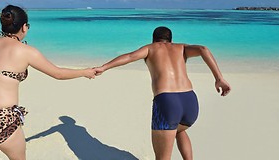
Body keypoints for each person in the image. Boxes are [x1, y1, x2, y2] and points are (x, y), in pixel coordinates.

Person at [0, 5, 96, 160]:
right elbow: (58, 74)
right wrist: (84, 72)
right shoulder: (26, 51)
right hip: (4, 118)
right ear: (24, 27)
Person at [94, 26, 231, 160]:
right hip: (190, 102)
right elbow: (203, 49)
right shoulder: (181, 48)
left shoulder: (150, 48)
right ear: (170, 40)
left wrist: (104, 67)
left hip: (167, 102)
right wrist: (219, 78)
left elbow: (130, 56)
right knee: (179, 129)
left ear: (154, 40)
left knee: (162, 157)